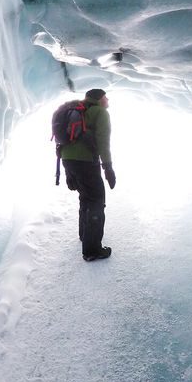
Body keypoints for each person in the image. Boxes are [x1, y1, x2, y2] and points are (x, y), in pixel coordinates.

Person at [61, 88, 117, 261]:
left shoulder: (76, 110)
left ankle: (85, 234)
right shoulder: (100, 113)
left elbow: (63, 139)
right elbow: (103, 141)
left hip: (68, 160)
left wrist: (68, 171)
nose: (107, 100)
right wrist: (108, 167)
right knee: (96, 201)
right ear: (99, 99)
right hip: (85, 161)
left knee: (85, 197)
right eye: (105, 97)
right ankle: (92, 250)